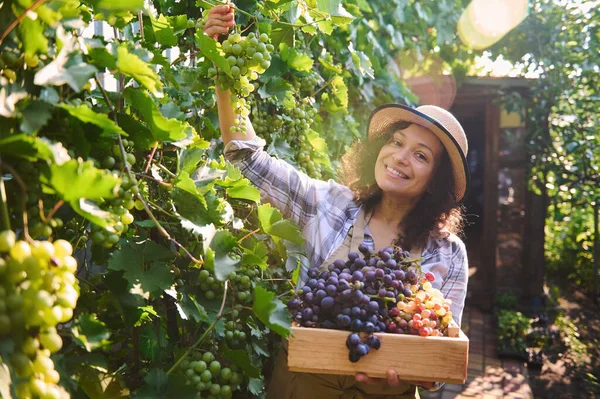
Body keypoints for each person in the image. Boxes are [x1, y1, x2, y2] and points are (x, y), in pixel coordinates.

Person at [203, 5, 470, 398]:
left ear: (436, 182)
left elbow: (441, 364)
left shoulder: (448, 255)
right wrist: (223, 58)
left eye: (420, 155)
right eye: (396, 142)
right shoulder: (327, 204)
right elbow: (246, 154)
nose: (399, 156)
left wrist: (414, 375)